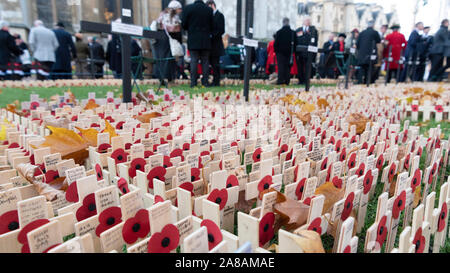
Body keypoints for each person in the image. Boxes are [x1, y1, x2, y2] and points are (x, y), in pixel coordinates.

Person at [182, 0, 214, 88]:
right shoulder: (209, 10)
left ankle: (193, 82)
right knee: (205, 61)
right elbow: (212, 25)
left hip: (193, 39)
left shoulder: (188, 8)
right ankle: (205, 82)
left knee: (194, 60)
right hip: (205, 39)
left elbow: (184, 25)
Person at [156, 1, 183, 85]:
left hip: (160, 41)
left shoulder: (162, 15)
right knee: (170, 61)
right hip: (170, 42)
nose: (181, 10)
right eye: (179, 9)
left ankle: (161, 78)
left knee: (162, 60)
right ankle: (170, 79)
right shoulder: (175, 18)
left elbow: (157, 27)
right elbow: (177, 32)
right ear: (175, 9)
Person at [206, 0, 225, 86]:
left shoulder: (219, 15)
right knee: (210, 63)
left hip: (216, 44)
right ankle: (211, 80)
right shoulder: (209, 16)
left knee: (215, 64)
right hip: (209, 44)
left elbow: (221, 30)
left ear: (212, 5)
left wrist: (212, 35)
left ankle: (216, 81)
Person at [356, 20, 381, 84]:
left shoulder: (362, 33)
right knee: (369, 68)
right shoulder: (375, 32)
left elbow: (357, 44)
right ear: (373, 25)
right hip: (370, 53)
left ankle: (359, 81)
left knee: (361, 68)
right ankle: (367, 82)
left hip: (362, 54)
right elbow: (378, 41)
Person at [295, 16, 318, 84]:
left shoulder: (313, 30)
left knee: (308, 67)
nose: (307, 22)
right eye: (306, 20)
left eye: (308, 20)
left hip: (309, 52)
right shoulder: (298, 30)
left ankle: (306, 80)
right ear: (303, 21)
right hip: (300, 52)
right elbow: (296, 40)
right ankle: (300, 80)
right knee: (300, 67)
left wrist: (314, 53)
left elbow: (315, 42)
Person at [274, 18, 296, 85]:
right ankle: (287, 81)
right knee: (288, 68)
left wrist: (277, 51)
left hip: (280, 53)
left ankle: (280, 80)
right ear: (288, 23)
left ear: (283, 23)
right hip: (289, 53)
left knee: (281, 67)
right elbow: (296, 43)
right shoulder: (293, 33)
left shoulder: (279, 32)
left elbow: (275, 44)